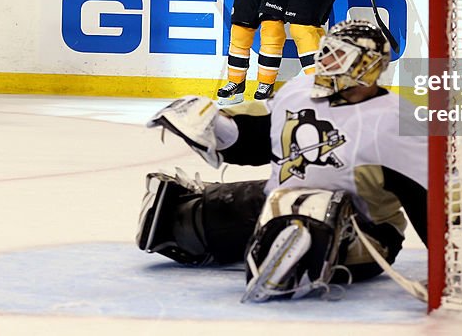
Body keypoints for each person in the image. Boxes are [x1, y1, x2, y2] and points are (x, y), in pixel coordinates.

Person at [137, 19, 427, 301]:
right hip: (279, 204)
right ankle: (276, 241)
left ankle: (291, 258)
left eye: (339, 55)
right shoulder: (299, 91)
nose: (326, 61)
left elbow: (433, 198)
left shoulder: (399, 120)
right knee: (175, 219)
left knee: (303, 208)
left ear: (368, 65)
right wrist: (217, 130)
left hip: (365, 233)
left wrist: (458, 262)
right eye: (326, 51)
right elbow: (258, 140)